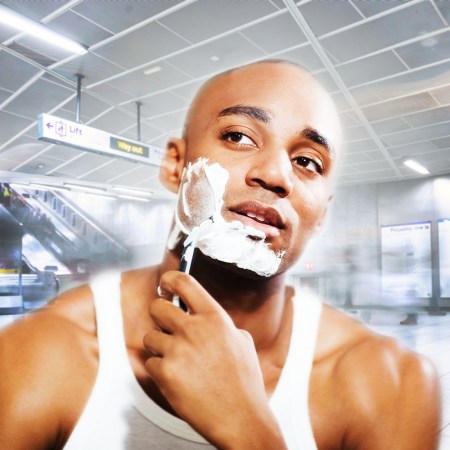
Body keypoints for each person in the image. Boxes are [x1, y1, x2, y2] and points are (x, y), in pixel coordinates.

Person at [0, 60, 441, 450]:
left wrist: (250, 429)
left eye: (308, 162)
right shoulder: (39, 352)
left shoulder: (393, 383)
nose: (274, 174)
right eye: (239, 136)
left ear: (321, 216)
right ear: (176, 164)